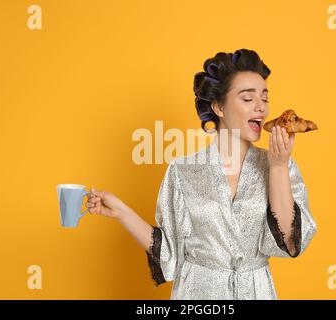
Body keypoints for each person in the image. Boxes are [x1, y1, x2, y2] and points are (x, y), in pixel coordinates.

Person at [85, 48, 317, 299]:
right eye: (248, 99)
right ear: (218, 106)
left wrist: (279, 167)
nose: (261, 108)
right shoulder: (182, 171)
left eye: (265, 98)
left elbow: (291, 243)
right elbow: (170, 253)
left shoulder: (278, 164)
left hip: (256, 292)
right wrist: (121, 211)